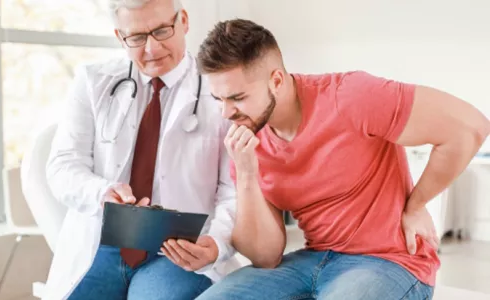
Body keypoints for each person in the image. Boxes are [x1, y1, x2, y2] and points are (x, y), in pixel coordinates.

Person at [193, 19, 490, 300]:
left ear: (277, 80)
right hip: (312, 259)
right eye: (218, 99)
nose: (226, 113)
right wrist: (245, 175)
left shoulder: (350, 96)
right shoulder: (247, 138)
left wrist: (417, 204)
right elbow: (265, 257)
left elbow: (470, 127)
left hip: (387, 261)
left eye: (237, 98)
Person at [43, 1, 240, 299]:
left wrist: (217, 243)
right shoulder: (93, 81)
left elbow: (234, 190)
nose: (152, 48)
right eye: (136, 37)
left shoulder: (220, 90)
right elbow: (63, 166)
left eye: (162, 30)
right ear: (120, 36)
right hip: (102, 246)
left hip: (177, 251)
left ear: (183, 21)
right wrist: (101, 193)